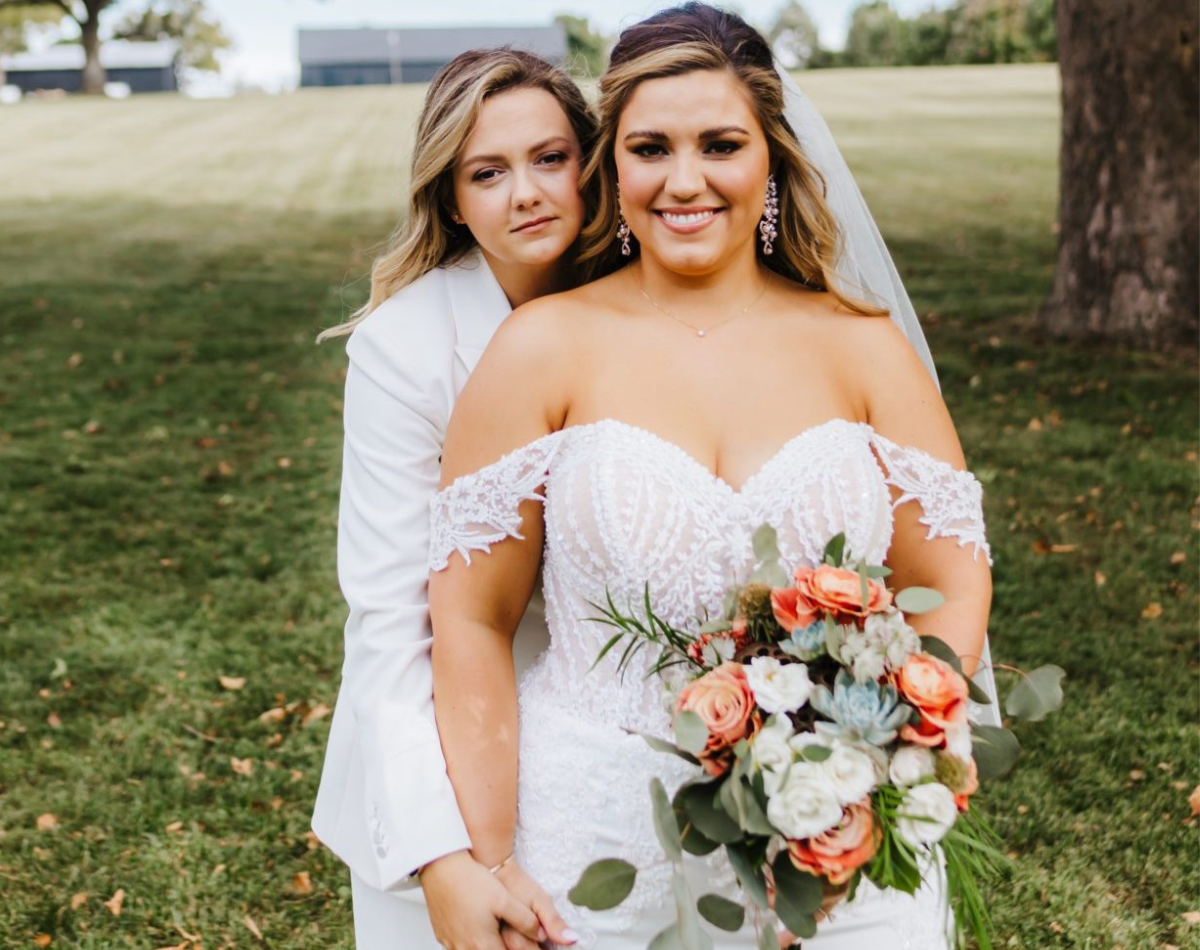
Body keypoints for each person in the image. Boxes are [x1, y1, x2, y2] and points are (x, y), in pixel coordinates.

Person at [426, 5, 994, 949]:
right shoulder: (542, 349)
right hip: (594, 822)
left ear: (770, 155)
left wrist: (881, 765)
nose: (684, 181)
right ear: (612, 164)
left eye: (721, 144)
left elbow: (953, 575)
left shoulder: (863, 348)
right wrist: (484, 855)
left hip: (830, 831)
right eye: (650, 148)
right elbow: (472, 617)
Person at [310, 47, 596, 950]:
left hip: (605, 740)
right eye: (488, 172)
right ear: (452, 198)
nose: (526, 194)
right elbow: (390, 624)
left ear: (593, 163)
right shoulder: (405, 350)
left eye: (551, 159)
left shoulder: (640, 311)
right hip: (439, 753)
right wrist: (443, 857)